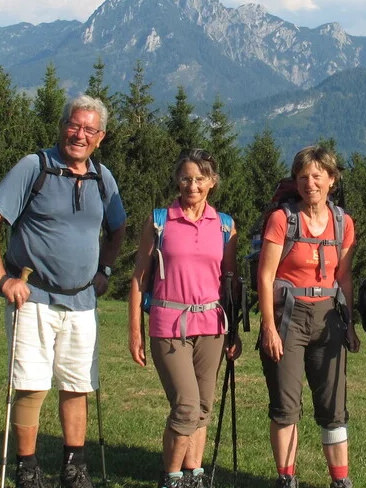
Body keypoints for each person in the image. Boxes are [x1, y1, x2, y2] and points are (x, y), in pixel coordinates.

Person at [0, 95, 127, 488]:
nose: (79, 134)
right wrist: (1, 279)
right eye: (73, 126)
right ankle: (27, 469)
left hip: (82, 301)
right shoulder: (34, 166)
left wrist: (105, 270)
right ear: (62, 126)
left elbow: (119, 228)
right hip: (33, 296)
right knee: (31, 385)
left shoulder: (102, 177)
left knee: (77, 386)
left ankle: (74, 469)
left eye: (89, 130)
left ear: (100, 137)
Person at [128, 149, 241, 488]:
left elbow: (230, 282)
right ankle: (172, 477)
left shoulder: (225, 226)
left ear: (212, 182)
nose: (192, 185)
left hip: (212, 326)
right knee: (187, 405)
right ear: (177, 180)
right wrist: (134, 331)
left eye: (199, 178)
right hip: (168, 324)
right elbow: (139, 278)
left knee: (204, 406)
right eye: (186, 178)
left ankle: (194, 474)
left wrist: (234, 331)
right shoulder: (160, 220)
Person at [257, 145, 359, 488]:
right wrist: (268, 328)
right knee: (286, 404)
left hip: (329, 316)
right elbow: (265, 276)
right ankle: (287, 479)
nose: (310, 183)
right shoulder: (282, 220)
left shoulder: (343, 222)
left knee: (333, 406)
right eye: (303, 176)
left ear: (332, 179)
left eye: (317, 175)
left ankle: (340, 481)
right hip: (288, 317)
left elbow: (344, 276)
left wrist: (350, 322)